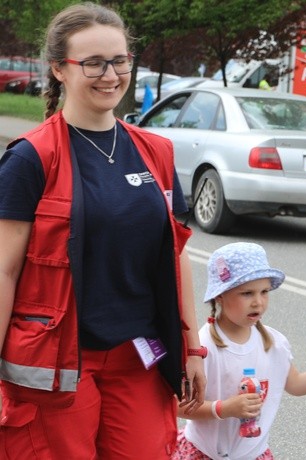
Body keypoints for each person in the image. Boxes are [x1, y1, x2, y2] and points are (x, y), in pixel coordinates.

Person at [0, 3, 206, 458]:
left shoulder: (157, 153)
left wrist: (193, 347)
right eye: (92, 62)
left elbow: (176, 253)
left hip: (140, 357)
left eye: (119, 60)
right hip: (58, 359)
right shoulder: (30, 159)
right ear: (59, 69)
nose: (109, 74)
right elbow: (5, 272)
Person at [173, 242, 306, 460]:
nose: (258, 302)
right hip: (204, 453)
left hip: (253, 454)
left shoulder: (272, 342)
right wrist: (223, 408)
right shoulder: (203, 346)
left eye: (264, 292)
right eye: (247, 293)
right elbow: (178, 407)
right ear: (220, 295)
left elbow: (296, 384)